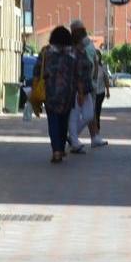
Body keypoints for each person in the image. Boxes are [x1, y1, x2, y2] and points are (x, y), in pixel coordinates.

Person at [35, 26, 88, 164]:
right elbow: (79, 75)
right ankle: (61, 148)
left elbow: (36, 72)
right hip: (67, 93)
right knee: (63, 122)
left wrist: (35, 90)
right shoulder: (73, 54)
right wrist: (81, 93)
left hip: (50, 92)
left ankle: (56, 151)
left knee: (53, 122)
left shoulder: (45, 52)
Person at [67, 22, 98, 154]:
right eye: (84, 36)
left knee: (89, 114)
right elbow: (77, 73)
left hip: (86, 88)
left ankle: (72, 136)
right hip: (76, 89)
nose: (87, 39)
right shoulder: (73, 53)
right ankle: (74, 141)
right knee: (74, 116)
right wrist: (79, 92)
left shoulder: (83, 51)